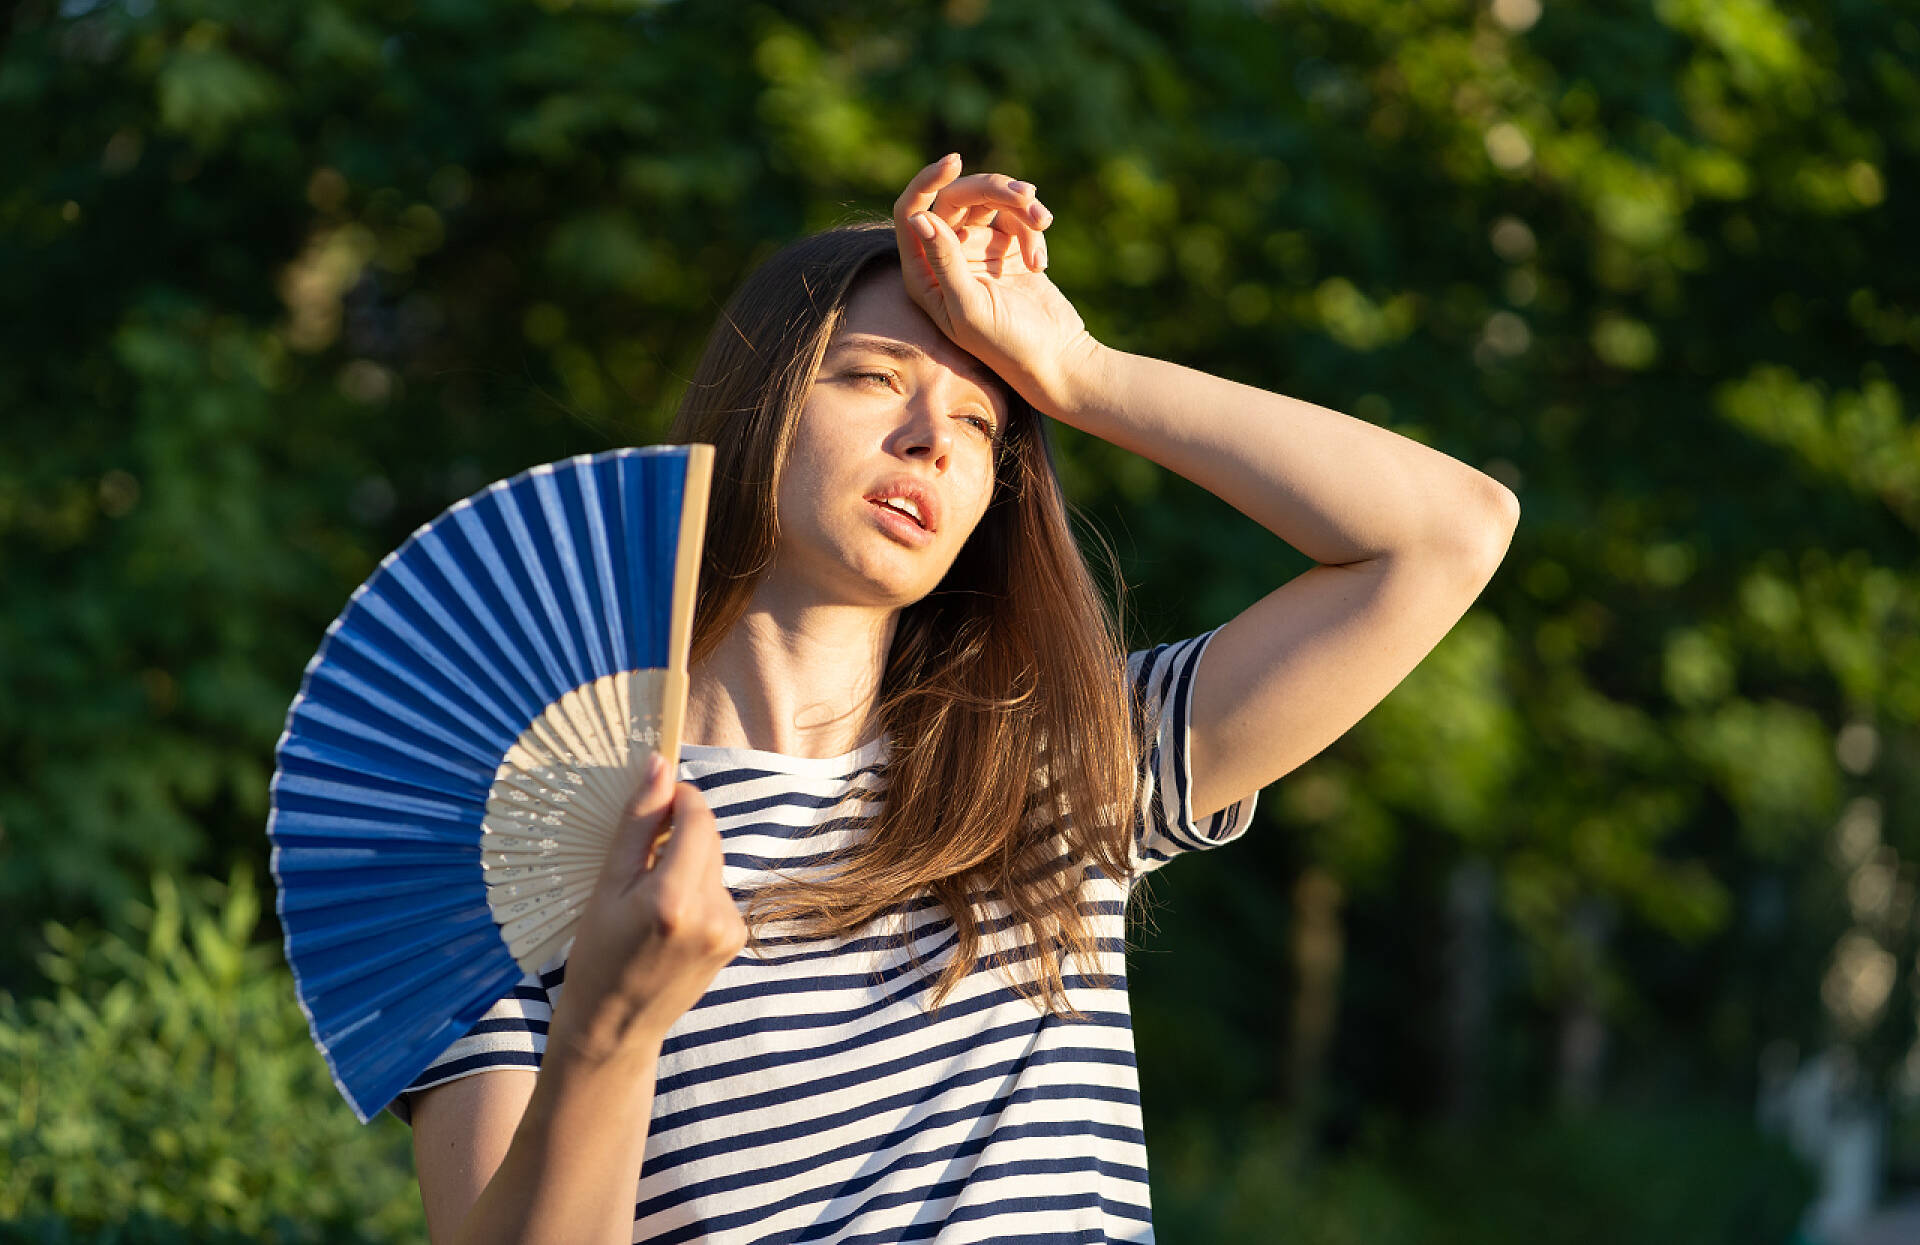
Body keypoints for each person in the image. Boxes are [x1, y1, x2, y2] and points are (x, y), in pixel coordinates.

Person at [401, 154, 1519, 1244]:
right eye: (876, 376)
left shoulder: (1062, 766)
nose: (934, 439)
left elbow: (1446, 535)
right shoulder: (531, 834)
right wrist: (607, 1026)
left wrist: (1076, 371)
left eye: (983, 423)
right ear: (760, 405)